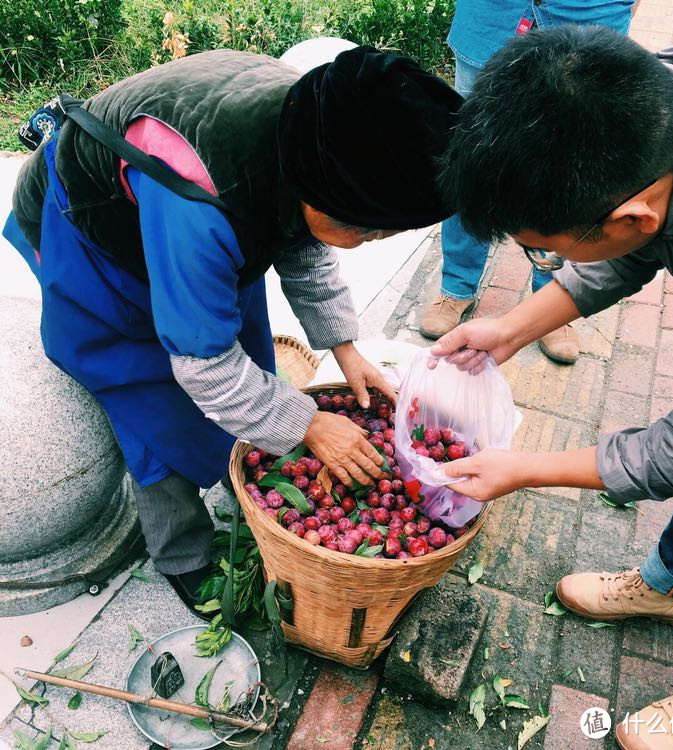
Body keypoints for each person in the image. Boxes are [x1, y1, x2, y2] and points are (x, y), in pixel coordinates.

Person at [3, 46, 462, 614]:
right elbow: (204, 366)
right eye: (368, 235)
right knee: (150, 398)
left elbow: (303, 242)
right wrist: (310, 423)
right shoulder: (199, 200)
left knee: (248, 361)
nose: (368, 244)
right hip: (94, 239)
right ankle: (183, 554)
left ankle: (244, 483)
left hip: (192, 219)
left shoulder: (319, 132)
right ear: (324, 200)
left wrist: (346, 347)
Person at [434, 25, 673, 749]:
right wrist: (511, 328)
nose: (540, 260)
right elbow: (631, 241)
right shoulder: (666, 101)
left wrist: (525, 470)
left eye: (541, 249)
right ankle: (671, 584)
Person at [419, 0, 639, 367]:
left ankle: (553, 302)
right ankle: (456, 285)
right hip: (491, 17)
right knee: (469, 158)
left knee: (570, 174)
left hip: (588, 18)